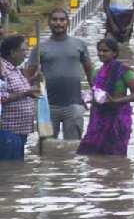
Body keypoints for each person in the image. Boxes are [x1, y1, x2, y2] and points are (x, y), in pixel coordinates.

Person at [26, 9, 93, 140]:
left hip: (74, 104)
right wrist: (34, 81)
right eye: (54, 19)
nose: (58, 23)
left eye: (62, 20)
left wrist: (94, 91)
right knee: (46, 146)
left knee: (74, 147)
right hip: (47, 106)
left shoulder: (79, 45)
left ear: (67, 23)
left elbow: (89, 70)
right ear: (49, 23)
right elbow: (28, 78)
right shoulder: (40, 47)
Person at [77, 38, 134, 156]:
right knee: (90, 151)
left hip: (119, 116)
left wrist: (116, 100)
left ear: (114, 53)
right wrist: (87, 100)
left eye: (105, 51)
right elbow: (96, 94)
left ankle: (117, 173)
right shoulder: (96, 72)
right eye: (99, 51)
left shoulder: (124, 71)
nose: (101, 53)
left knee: (116, 153)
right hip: (99, 117)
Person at [0, 35, 40, 160]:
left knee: (16, 169)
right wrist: (26, 93)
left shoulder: (15, 70)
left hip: (20, 132)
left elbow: (17, 89)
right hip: (8, 132)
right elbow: (1, 97)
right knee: (9, 171)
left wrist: (33, 81)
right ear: (13, 52)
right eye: (24, 50)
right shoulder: (2, 70)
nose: (26, 54)